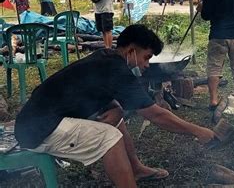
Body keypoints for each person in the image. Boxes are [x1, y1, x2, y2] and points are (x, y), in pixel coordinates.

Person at [14, 24, 215, 188]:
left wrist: (116, 107)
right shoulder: (116, 69)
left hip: (38, 119)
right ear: (131, 51)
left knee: (115, 118)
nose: (146, 65)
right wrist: (198, 131)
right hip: (38, 130)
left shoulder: (106, 57)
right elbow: (155, 115)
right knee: (109, 138)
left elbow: (94, 89)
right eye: (146, 57)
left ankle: (135, 169)